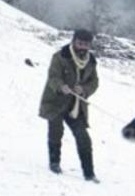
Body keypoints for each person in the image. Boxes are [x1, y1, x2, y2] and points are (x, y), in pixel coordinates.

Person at [38, 29, 99, 183]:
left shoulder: (91, 61)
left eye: (86, 44)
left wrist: (84, 89)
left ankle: (89, 173)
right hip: (56, 102)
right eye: (80, 43)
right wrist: (61, 86)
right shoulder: (60, 57)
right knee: (56, 132)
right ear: (73, 41)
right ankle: (54, 162)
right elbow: (53, 77)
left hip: (76, 106)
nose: (83, 47)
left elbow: (94, 82)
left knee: (83, 137)